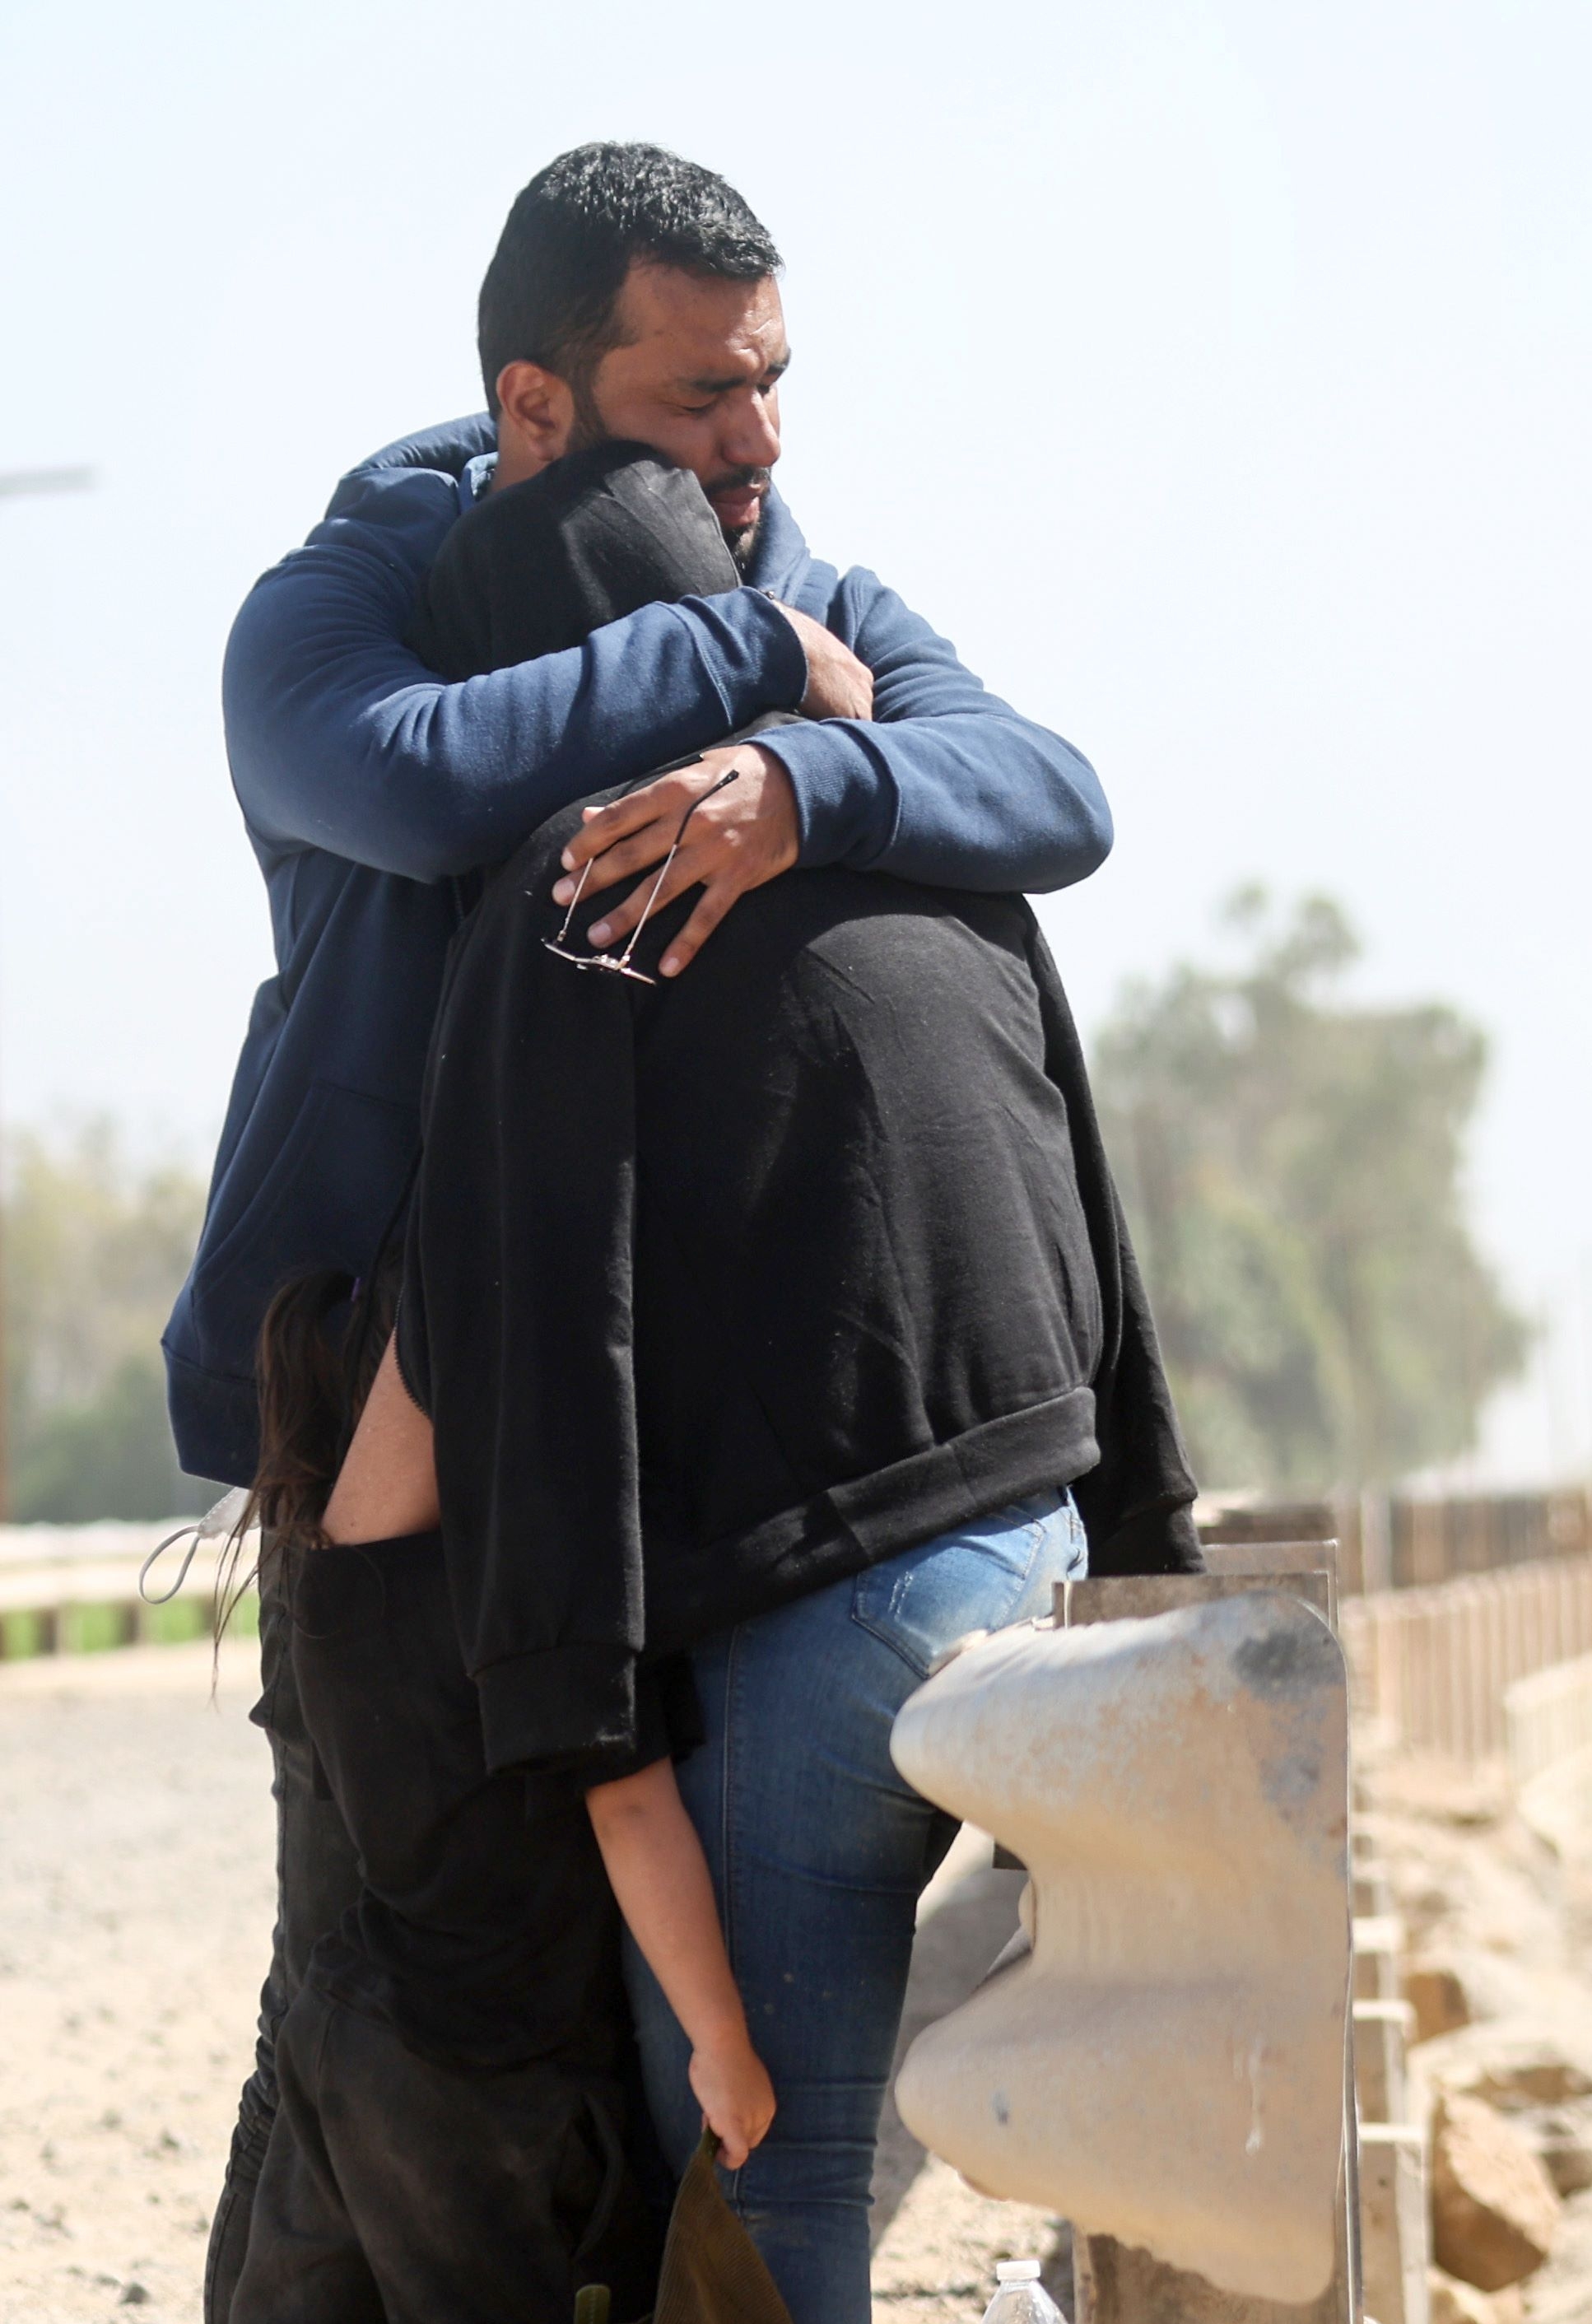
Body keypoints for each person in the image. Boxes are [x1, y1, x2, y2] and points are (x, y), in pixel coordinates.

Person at [188, 141, 1126, 2322]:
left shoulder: (803, 577)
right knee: (404, 1993)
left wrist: (804, 779)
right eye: (703, 397)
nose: (760, 442)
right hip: (398, 1460)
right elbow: (418, 780)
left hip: (654, 1465)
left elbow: (1051, 789)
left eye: (773, 382)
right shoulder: (349, 613)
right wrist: (737, 659)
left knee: (616, 2054)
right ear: (534, 408)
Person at [212, 1264, 767, 2323]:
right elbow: (630, 1809)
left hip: (349, 2020)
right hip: (484, 2081)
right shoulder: (539, 1606)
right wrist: (724, 2042)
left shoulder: (327, 1606)